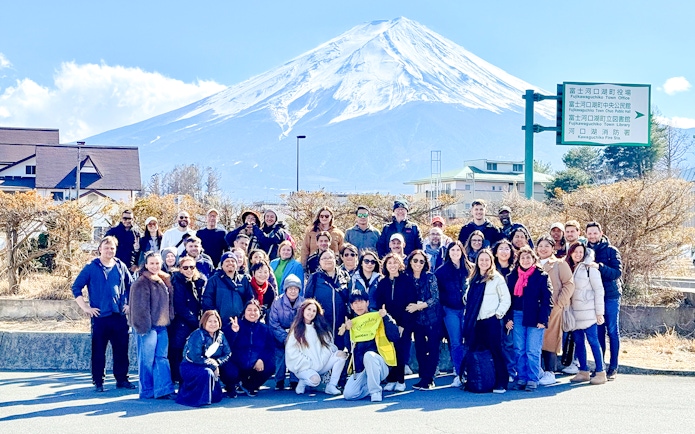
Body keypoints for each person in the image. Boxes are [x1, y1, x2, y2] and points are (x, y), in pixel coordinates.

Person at [71, 236, 135, 392]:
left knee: (121, 350)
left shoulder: (120, 266)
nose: (109, 250)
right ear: (100, 249)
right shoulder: (91, 267)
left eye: (112, 248)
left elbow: (132, 286)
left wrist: (129, 304)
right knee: (99, 351)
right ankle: (98, 381)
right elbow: (76, 288)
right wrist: (86, 308)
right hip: (100, 317)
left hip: (118, 316)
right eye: (106, 248)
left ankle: (122, 379)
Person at [462, 248, 511, 393]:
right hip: (476, 321)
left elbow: (506, 299)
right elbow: (466, 298)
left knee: (496, 351)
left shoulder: (496, 278)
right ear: (477, 262)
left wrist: (498, 314)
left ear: (491, 262)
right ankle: (480, 380)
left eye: (486, 260)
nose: (484, 262)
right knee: (477, 351)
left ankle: (501, 381)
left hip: (491, 321)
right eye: (481, 260)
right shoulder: (473, 278)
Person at [129, 251, 176, 399]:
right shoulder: (141, 282)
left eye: (157, 263)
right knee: (147, 360)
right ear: (146, 264)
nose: (155, 266)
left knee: (161, 358)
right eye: (152, 263)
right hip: (147, 327)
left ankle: (164, 389)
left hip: (162, 325)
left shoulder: (163, 279)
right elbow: (138, 308)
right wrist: (143, 327)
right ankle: (147, 390)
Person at [505, 246, 552, 392]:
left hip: (535, 317)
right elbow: (507, 299)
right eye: (522, 257)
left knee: (533, 349)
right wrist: (508, 317)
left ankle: (533, 378)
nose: (525, 260)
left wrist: (543, 319)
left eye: (528, 257)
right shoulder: (512, 276)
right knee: (519, 349)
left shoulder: (541, 276)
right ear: (518, 260)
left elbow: (547, 300)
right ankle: (522, 377)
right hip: (517, 315)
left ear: (533, 259)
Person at [369, 253, 417, 392]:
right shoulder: (382, 282)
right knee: (389, 350)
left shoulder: (406, 280)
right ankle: (391, 379)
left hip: (404, 322)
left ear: (400, 264)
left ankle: (400, 380)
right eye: (389, 263)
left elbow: (410, 304)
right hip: (387, 321)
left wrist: (402, 325)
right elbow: (379, 301)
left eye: (395, 263)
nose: (392, 266)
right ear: (385, 265)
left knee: (401, 350)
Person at [343, 290, 400, 402]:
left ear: (367, 303)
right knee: (349, 394)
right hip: (361, 369)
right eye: (355, 303)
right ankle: (371, 386)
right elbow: (350, 349)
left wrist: (386, 318)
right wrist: (347, 331)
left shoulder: (378, 317)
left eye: (361, 302)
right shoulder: (352, 323)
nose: (359, 306)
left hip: (380, 364)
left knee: (369, 355)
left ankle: (376, 391)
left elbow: (395, 336)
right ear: (351, 306)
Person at [285, 299, 347, 395]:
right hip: (304, 367)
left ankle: (331, 385)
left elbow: (329, 345)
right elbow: (292, 352)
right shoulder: (296, 330)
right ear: (303, 310)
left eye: (314, 311)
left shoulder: (320, 328)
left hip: (321, 363)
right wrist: (308, 362)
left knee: (341, 355)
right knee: (315, 381)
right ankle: (303, 382)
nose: (311, 313)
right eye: (309, 309)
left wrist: (322, 358)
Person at [535, 235, 574, 386]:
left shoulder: (559, 264)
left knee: (550, 339)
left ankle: (550, 371)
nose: (543, 249)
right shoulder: (533, 263)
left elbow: (569, 284)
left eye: (547, 246)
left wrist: (560, 303)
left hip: (553, 307)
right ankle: (537, 370)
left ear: (553, 248)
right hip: (535, 308)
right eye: (540, 246)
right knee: (535, 339)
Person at [586, 221, 623, 380]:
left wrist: (599, 266)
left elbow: (617, 273)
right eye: (589, 233)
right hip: (593, 297)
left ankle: (613, 366)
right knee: (598, 331)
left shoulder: (610, 250)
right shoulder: (585, 251)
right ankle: (600, 366)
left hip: (611, 295)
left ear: (601, 233)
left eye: (595, 233)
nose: (592, 236)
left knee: (612, 331)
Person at [566, 242, 607, 385]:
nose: (578, 254)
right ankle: (583, 371)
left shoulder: (590, 268)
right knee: (578, 342)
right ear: (570, 252)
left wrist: (599, 313)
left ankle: (601, 372)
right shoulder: (568, 267)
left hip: (589, 312)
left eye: (581, 252)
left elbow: (599, 290)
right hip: (574, 313)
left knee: (593, 341)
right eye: (575, 251)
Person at [220, 300, 275, 397]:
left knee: (270, 366)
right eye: (249, 310)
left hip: (253, 364)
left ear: (259, 313)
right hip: (236, 363)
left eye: (255, 310)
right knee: (229, 370)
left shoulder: (265, 329)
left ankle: (249, 385)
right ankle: (231, 386)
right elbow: (224, 344)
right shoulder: (235, 325)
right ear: (244, 311)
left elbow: (270, 348)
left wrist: (261, 359)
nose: (252, 313)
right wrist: (233, 332)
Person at [176, 310, 232, 407]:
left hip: (209, 364)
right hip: (190, 365)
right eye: (210, 321)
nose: (213, 324)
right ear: (204, 322)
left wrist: (217, 362)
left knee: (217, 396)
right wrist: (213, 365)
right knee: (207, 373)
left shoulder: (220, 336)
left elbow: (227, 353)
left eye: (215, 321)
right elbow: (195, 357)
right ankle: (196, 399)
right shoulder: (197, 335)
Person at [406, 249, 442, 391]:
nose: (418, 263)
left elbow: (435, 298)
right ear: (410, 261)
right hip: (416, 320)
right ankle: (422, 377)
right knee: (420, 349)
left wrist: (419, 306)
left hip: (432, 318)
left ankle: (429, 379)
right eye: (415, 260)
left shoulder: (430, 277)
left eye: (422, 261)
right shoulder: (407, 277)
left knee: (433, 348)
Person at [168, 255, 206, 387]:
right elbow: (180, 306)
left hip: (195, 320)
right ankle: (178, 379)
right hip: (181, 322)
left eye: (192, 267)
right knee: (177, 351)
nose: (189, 270)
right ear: (180, 268)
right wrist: (196, 322)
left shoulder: (200, 281)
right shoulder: (177, 281)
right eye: (185, 267)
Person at [435, 240, 468, 387]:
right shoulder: (441, 271)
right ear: (448, 252)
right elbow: (438, 294)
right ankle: (459, 370)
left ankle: (469, 368)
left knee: (467, 340)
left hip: (467, 310)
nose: (455, 253)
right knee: (455, 342)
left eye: (458, 250)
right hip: (450, 310)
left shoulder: (470, 268)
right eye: (452, 250)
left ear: (462, 252)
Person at [304, 249, 352, 350]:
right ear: (319, 262)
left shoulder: (344, 276)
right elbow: (307, 301)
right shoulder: (315, 278)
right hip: (321, 322)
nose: (327, 260)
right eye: (324, 258)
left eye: (330, 257)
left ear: (336, 259)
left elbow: (349, 299)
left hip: (341, 323)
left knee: (340, 352)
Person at [268, 274, 305, 391]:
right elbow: (273, 323)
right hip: (280, 335)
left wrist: (295, 337)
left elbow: (306, 321)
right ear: (285, 289)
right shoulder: (277, 302)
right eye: (290, 288)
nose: (293, 291)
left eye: (296, 288)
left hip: (297, 334)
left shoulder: (303, 302)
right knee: (280, 356)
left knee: (296, 356)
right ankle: (279, 380)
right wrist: (285, 338)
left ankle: (294, 380)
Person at [202, 252, 253, 327]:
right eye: (227, 261)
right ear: (222, 265)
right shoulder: (213, 280)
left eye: (233, 261)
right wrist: (216, 316)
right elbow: (207, 300)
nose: (230, 263)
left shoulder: (244, 280)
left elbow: (250, 298)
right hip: (221, 322)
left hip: (240, 322)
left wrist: (244, 315)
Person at [493, 238, 516, 379]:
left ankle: (510, 372)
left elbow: (516, 296)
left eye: (507, 248)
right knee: (495, 343)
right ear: (495, 253)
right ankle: (496, 371)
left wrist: (509, 317)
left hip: (511, 313)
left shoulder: (516, 271)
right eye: (500, 248)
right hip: (493, 313)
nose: (504, 251)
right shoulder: (491, 270)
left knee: (509, 344)